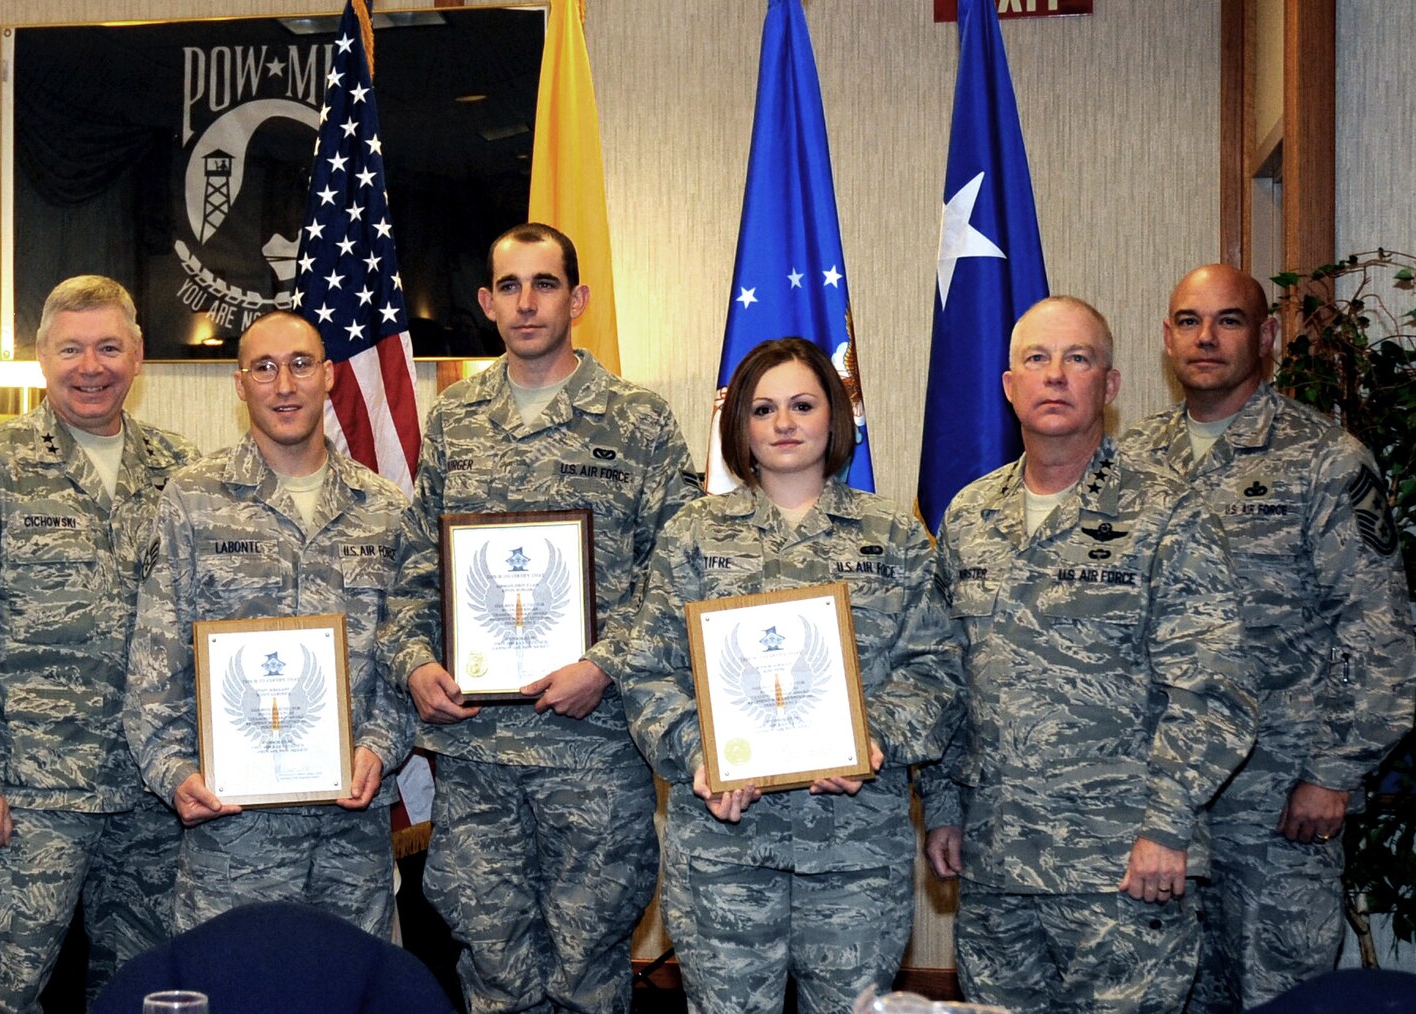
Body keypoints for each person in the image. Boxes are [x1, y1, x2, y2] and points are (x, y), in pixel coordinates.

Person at [385, 223, 701, 1013]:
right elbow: (416, 565)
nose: (529, 303)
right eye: (511, 287)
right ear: (488, 302)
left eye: (547, 284)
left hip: (594, 748)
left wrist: (608, 664)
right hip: (479, 752)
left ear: (578, 298)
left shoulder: (638, 420)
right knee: (491, 965)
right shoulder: (455, 418)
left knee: (590, 966)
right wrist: (415, 661)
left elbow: (681, 570)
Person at [919, 296, 1256, 1014]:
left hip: (1125, 866)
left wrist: (1167, 827)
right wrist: (944, 804)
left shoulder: (1167, 512)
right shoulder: (970, 517)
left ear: (1110, 384)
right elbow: (945, 677)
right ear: (1009, 385)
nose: (1055, 376)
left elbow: (1214, 689)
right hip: (997, 865)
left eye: (1078, 359)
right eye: (1036, 360)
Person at [620, 338, 958, 1013]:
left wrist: (869, 740)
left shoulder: (889, 534)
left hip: (855, 853)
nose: (784, 423)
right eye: (764, 408)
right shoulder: (693, 534)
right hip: (725, 850)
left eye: (802, 405)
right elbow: (647, 671)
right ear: (738, 426)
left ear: (834, 416)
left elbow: (938, 672)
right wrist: (700, 753)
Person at [1120, 264, 1415, 1011]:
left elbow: (1376, 626)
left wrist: (1333, 772)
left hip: (1277, 793)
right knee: (1162, 990)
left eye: (1229, 320)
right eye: (1189, 321)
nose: (1207, 338)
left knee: (1279, 993)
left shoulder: (1325, 459)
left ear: (1269, 337)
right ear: (1165, 338)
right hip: (1155, 792)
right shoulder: (1127, 463)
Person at [0, 275, 197, 1012]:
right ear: (42, 357)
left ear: (138, 356)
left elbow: (206, 624)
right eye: (71, 349)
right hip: (27, 795)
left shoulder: (184, 472)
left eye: (108, 347)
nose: (90, 366)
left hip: (151, 793)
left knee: (148, 994)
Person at [126, 310, 414, 936]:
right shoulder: (193, 499)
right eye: (264, 368)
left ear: (329, 376)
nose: (284, 385)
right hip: (232, 836)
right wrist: (175, 774)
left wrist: (381, 748)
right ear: (240, 384)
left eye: (301, 364)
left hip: (351, 834)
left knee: (354, 1001)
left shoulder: (385, 510)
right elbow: (155, 660)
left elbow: (408, 656)